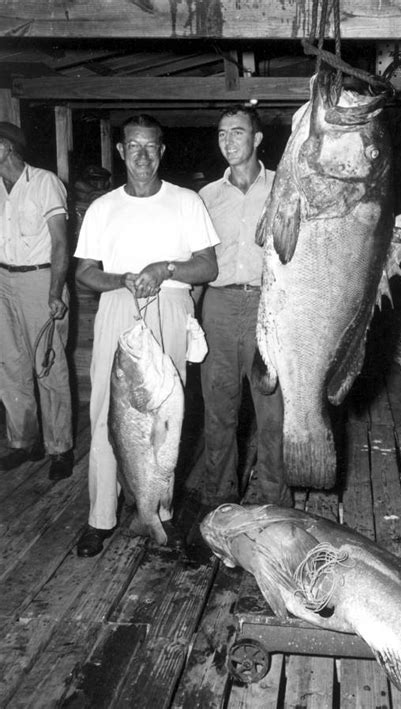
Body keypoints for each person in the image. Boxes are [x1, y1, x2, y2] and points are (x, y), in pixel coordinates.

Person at [74, 114, 219, 558]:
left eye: (150, 147)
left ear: (162, 151)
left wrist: (165, 269)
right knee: (107, 414)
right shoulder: (103, 208)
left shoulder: (187, 201)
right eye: (133, 146)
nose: (141, 154)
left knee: (164, 421)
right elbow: (84, 275)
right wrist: (123, 279)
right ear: (120, 151)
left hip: (171, 305)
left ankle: (159, 511)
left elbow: (208, 267)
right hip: (119, 305)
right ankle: (100, 516)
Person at [199, 105, 293, 509]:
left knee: (272, 413)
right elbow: (198, 260)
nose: (228, 142)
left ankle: (276, 501)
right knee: (219, 410)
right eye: (222, 134)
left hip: (268, 307)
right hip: (218, 306)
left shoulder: (284, 187)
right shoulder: (206, 197)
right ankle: (219, 498)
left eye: (237, 132)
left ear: (257, 138)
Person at [0, 122, 74, 481]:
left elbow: (61, 242)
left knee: (49, 365)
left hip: (40, 279)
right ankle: (22, 441)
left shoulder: (44, 183)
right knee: (9, 366)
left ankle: (60, 447)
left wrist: (55, 291)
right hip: (2, 280)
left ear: (6, 148)